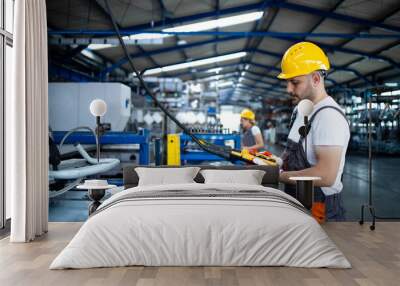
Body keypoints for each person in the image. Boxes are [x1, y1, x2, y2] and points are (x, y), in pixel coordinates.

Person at [277, 42, 350, 222]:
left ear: (316, 79)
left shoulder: (328, 117)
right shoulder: (301, 111)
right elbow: (293, 155)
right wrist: (272, 162)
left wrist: (280, 176)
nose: (288, 89)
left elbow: (326, 175)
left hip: (319, 209)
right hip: (297, 201)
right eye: (287, 82)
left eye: (295, 82)